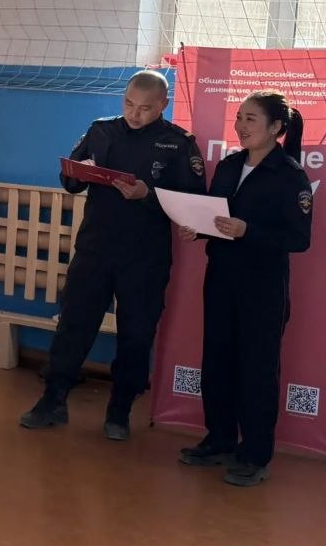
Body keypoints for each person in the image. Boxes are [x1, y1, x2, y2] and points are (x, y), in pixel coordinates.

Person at [21, 71, 205, 438]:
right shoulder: (101, 130)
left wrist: (147, 195)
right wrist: (80, 175)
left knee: (136, 334)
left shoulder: (179, 143)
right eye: (129, 104)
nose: (135, 114)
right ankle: (52, 399)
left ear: (163, 105)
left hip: (145, 258)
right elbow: (69, 179)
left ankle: (119, 410)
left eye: (145, 108)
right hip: (95, 249)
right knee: (73, 325)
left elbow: (193, 201)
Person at [178, 91, 313, 487]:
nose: (240, 126)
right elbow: (216, 216)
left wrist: (247, 231)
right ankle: (219, 439)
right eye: (239, 117)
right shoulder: (229, 166)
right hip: (221, 279)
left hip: (263, 287)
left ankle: (255, 455)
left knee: (257, 369)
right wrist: (197, 228)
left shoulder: (290, 175)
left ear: (276, 127)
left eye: (250, 119)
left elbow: (299, 239)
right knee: (217, 360)